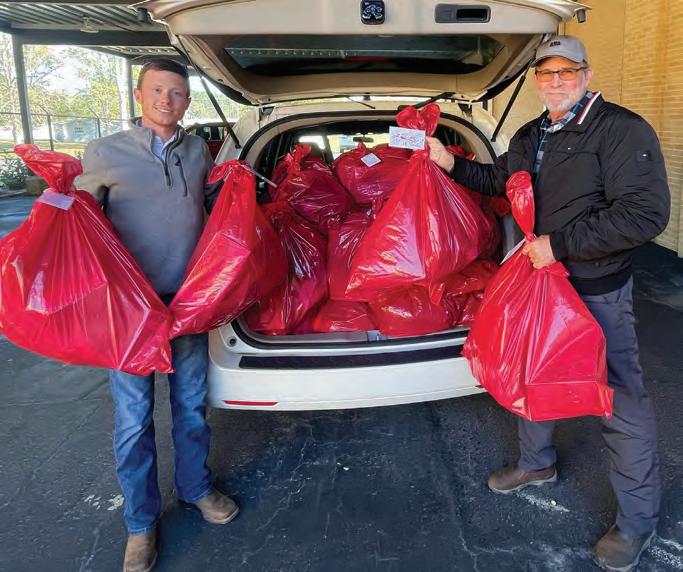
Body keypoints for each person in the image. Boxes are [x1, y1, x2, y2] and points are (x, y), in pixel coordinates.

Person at [427, 36, 670, 572]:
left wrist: (559, 245)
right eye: (546, 72)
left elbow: (645, 213)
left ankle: (637, 521)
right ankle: (536, 464)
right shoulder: (531, 133)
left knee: (618, 394)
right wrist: (448, 163)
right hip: (539, 282)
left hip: (594, 288)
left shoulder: (620, 130)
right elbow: (500, 181)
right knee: (529, 370)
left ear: (586, 73)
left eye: (567, 71)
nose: (556, 81)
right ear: (536, 78)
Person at [76, 58, 237, 572]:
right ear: (139, 94)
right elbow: (81, 228)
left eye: (177, 92)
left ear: (187, 100)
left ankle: (196, 489)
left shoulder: (197, 150)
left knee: (190, 406)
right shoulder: (104, 153)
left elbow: (210, 205)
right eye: (158, 90)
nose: (167, 100)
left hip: (186, 304)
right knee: (132, 418)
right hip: (129, 311)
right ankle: (140, 524)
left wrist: (232, 187)